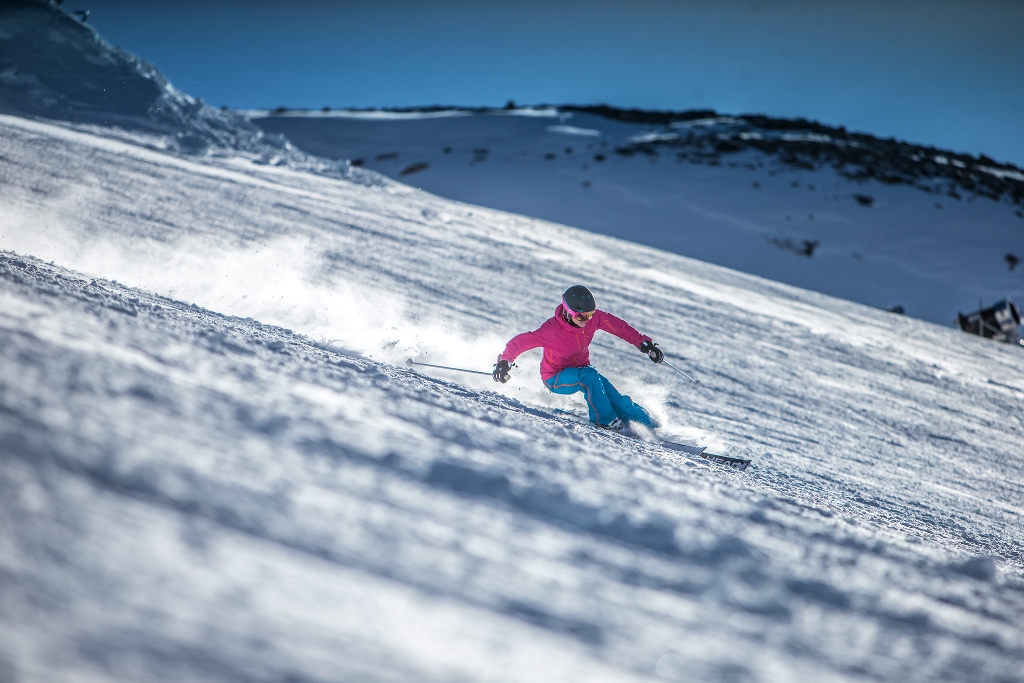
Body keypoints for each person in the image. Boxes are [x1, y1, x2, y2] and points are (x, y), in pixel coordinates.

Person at [493, 285, 664, 431]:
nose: (587, 320)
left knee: (613, 396)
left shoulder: (592, 319)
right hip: (555, 377)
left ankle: (647, 423)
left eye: (590, 315)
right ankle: (604, 421)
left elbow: (620, 328)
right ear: (567, 312)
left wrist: (643, 343)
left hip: (582, 370)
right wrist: (504, 362)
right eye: (581, 316)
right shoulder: (551, 331)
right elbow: (520, 342)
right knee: (589, 378)